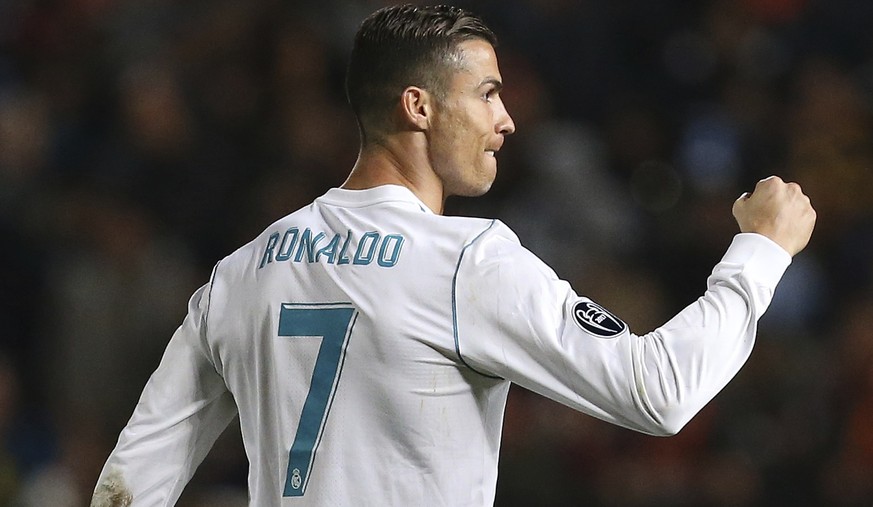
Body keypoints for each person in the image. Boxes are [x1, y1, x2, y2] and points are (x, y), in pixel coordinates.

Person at [91, 4, 816, 506]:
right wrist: (759, 250)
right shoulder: (465, 260)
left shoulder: (241, 272)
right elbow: (658, 390)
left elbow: (128, 484)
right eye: (488, 94)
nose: (506, 119)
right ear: (419, 106)